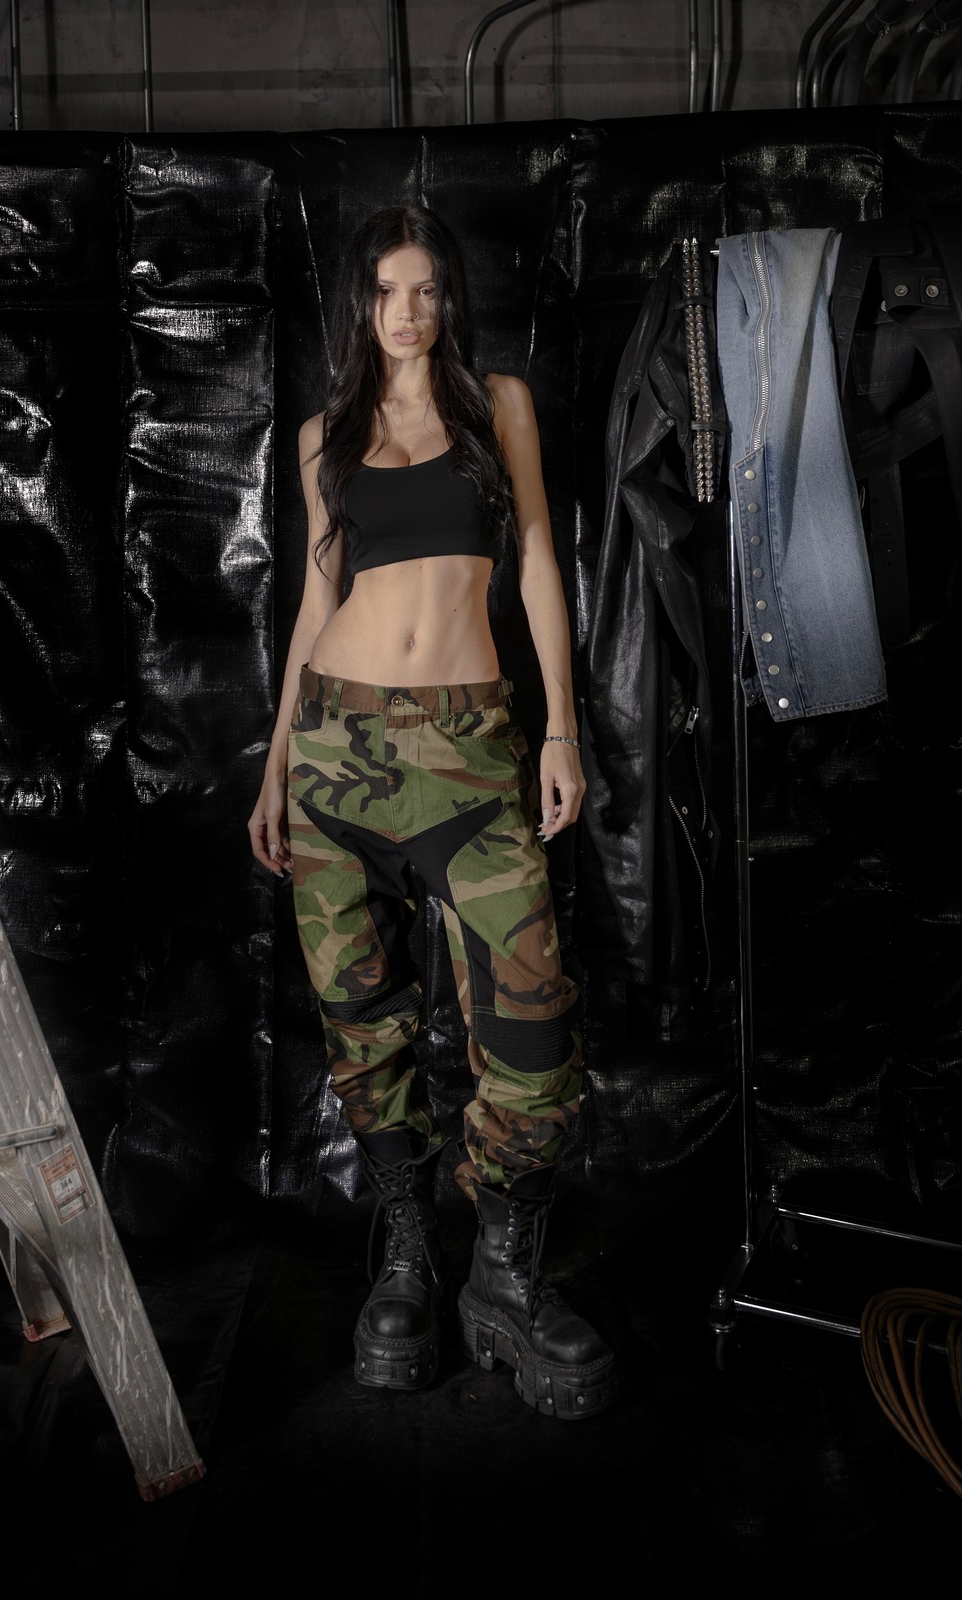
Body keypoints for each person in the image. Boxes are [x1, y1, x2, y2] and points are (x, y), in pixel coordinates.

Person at [248, 204, 616, 1420]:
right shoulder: (324, 435)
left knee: (530, 1022)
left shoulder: (495, 406)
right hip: (335, 749)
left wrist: (558, 728)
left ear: (447, 300)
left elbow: (536, 561)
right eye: (385, 292)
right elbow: (314, 605)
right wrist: (273, 764)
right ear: (358, 304)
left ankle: (501, 1280)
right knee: (362, 1025)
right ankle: (406, 1252)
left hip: (467, 750)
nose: (405, 314)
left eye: (425, 291)